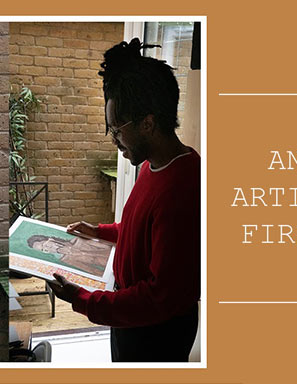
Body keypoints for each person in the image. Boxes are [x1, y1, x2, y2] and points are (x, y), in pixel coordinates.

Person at [47, 38, 200, 362]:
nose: (114, 140)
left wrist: (85, 300)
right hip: (133, 319)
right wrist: (100, 231)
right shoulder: (152, 166)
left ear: (148, 122)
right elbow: (141, 229)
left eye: (117, 130)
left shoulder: (182, 190)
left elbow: (160, 297)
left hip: (155, 333)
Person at [27, 234, 112, 276]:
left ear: (51, 239)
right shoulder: (65, 260)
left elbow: (110, 249)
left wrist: (82, 252)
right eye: (43, 250)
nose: (46, 249)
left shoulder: (79, 240)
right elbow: (92, 271)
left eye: (44, 245)